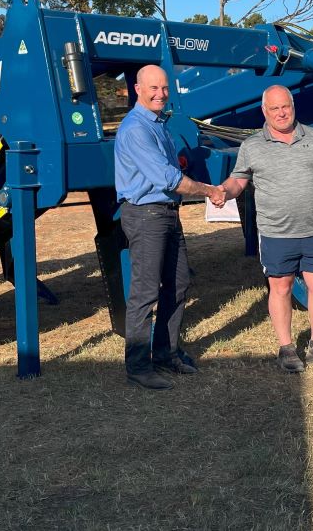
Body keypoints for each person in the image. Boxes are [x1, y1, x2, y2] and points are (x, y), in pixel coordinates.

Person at [115, 64, 226, 390]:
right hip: (146, 215)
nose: (160, 94)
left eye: (164, 88)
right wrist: (209, 190)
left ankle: (166, 352)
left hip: (165, 213)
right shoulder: (136, 128)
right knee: (145, 293)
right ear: (138, 89)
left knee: (178, 285)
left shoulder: (158, 125)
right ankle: (138, 365)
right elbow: (167, 178)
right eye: (153, 88)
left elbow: (170, 169)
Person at [220, 84, 313, 373]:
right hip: (276, 232)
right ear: (265, 111)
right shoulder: (252, 145)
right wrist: (223, 192)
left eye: (284, 106)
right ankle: (287, 348)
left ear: (293, 106)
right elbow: (238, 181)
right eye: (273, 108)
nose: (280, 113)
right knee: (281, 287)